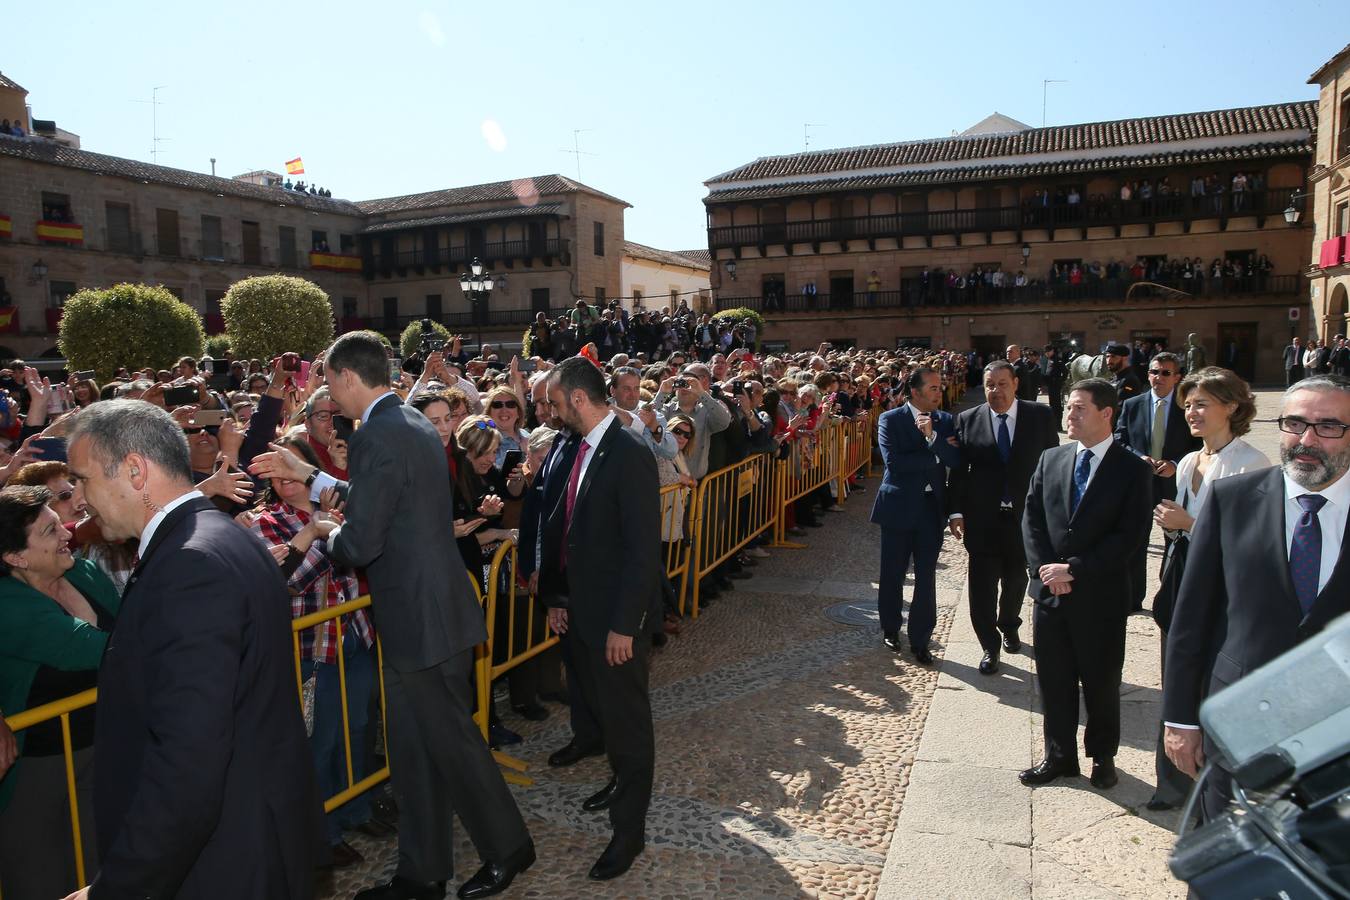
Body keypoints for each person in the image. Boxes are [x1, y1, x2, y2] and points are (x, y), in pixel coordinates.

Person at [251, 332, 534, 900]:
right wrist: (310, 478)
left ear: (349, 378)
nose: (329, 396)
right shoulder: (407, 423)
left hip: (423, 619)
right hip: (426, 616)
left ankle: (508, 849)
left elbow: (360, 542)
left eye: (330, 383)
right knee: (412, 753)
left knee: (451, 744)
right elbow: (382, 500)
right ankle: (421, 873)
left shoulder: (380, 434)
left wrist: (320, 538)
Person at [63, 400, 323, 899]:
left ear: (135, 470)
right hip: (246, 841)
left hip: (218, 865)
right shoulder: (221, 537)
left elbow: (187, 763)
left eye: (83, 479)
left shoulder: (189, 563)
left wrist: (116, 888)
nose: (79, 499)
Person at [1163, 374, 1350, 822]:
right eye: (1294, 423)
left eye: (1328, 426)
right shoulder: (1233, 500)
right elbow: (1191, 620)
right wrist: (1180, 719)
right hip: (1238, 727)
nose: (1306, 439)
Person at [539, 358, 661, 881]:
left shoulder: (629, 453)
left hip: (617, 621)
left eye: (557, 402)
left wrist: (625, 625)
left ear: (580, 400)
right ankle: (617, 786)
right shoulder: (576, 447)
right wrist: (560, 598)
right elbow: (571, 529)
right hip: (585, 613)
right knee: (608, 717)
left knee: (629, 726)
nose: (552, 411)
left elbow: (641, 551)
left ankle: (628, 833)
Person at [248, 434, 377, 868]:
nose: (282, 477)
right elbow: (286, 580)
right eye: (274, 470)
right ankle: (323, 832)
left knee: (357, 727)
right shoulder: (264, 521)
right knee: (319, 743)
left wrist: (328, 527)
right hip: (308, 649)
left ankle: (358, 808)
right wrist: (317, 531)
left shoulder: (337, 505)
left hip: (354, 635)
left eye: (289, 466)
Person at [1144, 366, 1268, 811]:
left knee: (1210, 685)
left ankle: (1208, 787)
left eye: (1202, 404)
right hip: (1180, 582)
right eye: (1188, 404)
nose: (1191, 412)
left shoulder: (1252, 464)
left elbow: (1254, 544)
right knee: (1174, 678)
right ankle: (1171, 782)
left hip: (1225, 594)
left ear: (1232, 407)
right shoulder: (1189, 461)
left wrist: (1188, 524)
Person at [1020, 378, 1153, 790]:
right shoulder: (1051, 459)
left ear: (1106, 413)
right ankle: (1059, 757)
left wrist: (1073, 569)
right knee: (1054, 680)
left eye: (1079, 408)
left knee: (1101, 682)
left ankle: (1103, 756)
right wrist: (1046, 570)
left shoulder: (1132, 469)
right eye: (1069, 407)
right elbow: (1032, 520)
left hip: (1100, 597)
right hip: (1050, 597)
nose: (1069, 415)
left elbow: (1129, 537)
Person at [0, 486, 120, 900]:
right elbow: (99, 648)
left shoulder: (81, 572)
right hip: (36, 770)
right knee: (41, 879)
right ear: (15, 557)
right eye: (51, 531)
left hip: (102, 750)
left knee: (99, 870)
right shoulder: (7, 604)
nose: (67, 534)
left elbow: (131, 621)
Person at [947, 361, 1058, 675]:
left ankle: (1009, 624)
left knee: (1015, 579)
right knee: (981, 587)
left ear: (1016, 383)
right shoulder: (968, 420)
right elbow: (958, 471)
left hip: (1024, 517)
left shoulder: (1040, 416)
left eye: (1002, 384)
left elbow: (1053, 463)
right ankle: (988, 646)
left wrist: (1052, 511)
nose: (996, 391)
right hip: (982, 518)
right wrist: (955, 511)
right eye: (989, 385)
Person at [870, 367, 961, 664]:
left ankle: (921, 638)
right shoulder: (890, 419)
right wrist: (936, 452)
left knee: (926, 576)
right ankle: (891, 628)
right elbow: (894, 463)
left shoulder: (945, 421)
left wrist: (933, 438)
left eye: (940, 387)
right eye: (933, 387)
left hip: (931, 508)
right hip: (897, 505)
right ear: (915, 391)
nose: (940, 392)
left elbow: (957, 459)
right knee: (893, 573)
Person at [1112, 352, 1201, 612]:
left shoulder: (1187, 408)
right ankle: (1133, 598)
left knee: (1173, 541)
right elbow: (1119, 439)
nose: (1157, 378)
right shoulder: (1132, 405)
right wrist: (1140, 457)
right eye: (1153, 372)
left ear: (1177, 377)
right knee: (1135, 541)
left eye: (1164, 373)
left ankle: (1169, 596)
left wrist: (1175, 464)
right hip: (1139, 483)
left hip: (1174, 484)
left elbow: (1198, 444)